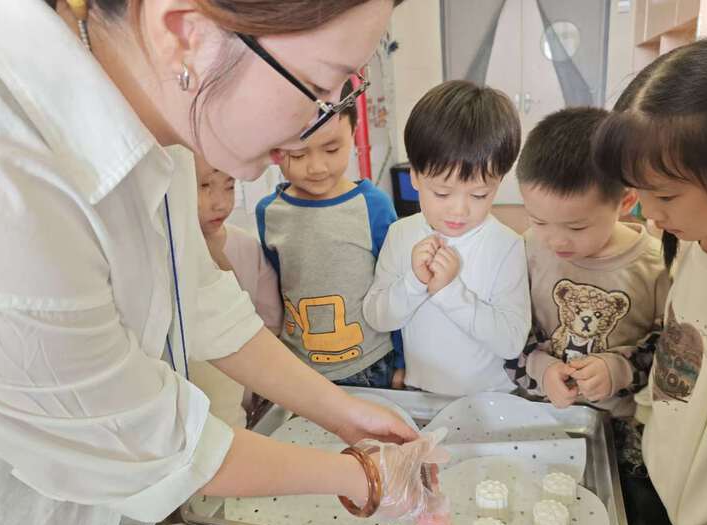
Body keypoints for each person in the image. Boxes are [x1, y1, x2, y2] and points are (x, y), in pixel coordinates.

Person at [0, 2, 440, 525]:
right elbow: (149, 443)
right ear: (187, 34)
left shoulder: (165, 118)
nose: (314, 123)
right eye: (317, 87)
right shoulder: (14, 176)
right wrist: (366, 478)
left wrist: (347, 414)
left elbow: (200, 295)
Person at [593, 37, 707, 525]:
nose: (648, 214)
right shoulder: (694, 241)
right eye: (638, 191)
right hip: (665, 492)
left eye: (665, 195)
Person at [363, 80, 531, 396]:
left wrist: (450, 292)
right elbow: (377, 317)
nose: (459, 210)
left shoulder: (507, 245)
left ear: (499, 182)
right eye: (442, 192)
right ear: (414, 176)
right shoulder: (401, 234)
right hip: (420, 392)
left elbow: (511, 341)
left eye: (479, 194)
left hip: (490, 398)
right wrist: (414, 281)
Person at [507, 107, 669, 417]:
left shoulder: (654, 266)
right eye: (539, 221)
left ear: (626, 201)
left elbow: (669, 350)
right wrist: (542, 368)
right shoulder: (526, 249)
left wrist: (618, 370)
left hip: (615, 422)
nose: (556, 241)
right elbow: (505, 329)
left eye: (577, 227)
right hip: (536, 413)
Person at [256, 80, 403, 388]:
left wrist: (403, 362)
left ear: (353, 132)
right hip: (301, 368)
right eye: (298, 155)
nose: (317, 167)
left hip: (371, 364)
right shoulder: (269, 213)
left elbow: (396, 288)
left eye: (332, 149)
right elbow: (277, 293)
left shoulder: (373, 206)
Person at [194, 155, 283, 427]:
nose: (221, 203)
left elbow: (271, 324)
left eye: (229, 186)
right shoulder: (164, 255)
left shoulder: (246, 246)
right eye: (205, 186)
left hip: (246, 406)